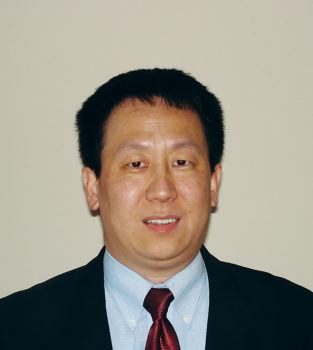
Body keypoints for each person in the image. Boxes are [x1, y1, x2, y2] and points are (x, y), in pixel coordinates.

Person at [0, 68, 312, 350]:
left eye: (182, 163)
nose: (162, 191)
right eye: (136, 164)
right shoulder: (15, 328)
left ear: (213, 184)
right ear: (93, 187)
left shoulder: (297, 319)